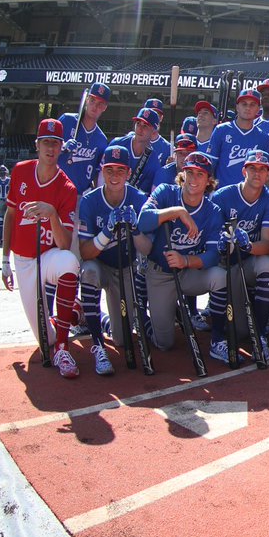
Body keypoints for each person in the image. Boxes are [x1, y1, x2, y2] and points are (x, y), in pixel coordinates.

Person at [1, 119, 82, 378]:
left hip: (47, 256)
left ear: (61, 148)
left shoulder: (67, 187)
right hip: (23, 260)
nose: (51, 148)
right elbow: (11, 216)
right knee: (43, 339)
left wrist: (52, 215)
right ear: (37, 145)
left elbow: (65, 244)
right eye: (46, 142)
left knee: (69, 262)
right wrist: (5, 260)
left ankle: (62, 347)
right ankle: (71, 315)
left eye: (56, 143)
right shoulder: (21, 171)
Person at [136, 152, 227, 359]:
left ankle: (218, 340)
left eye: (200, 174)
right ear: (182, 174)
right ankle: (141, 317)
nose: (193, 179)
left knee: (220, 276)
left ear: (208, 181)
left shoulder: (212, 211)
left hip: (188, 272)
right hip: (160, 272)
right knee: (164, 343)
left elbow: (213, 256)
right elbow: (143, 221)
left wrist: (185, 260)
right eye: (189, 173)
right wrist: (177, 212)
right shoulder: (165, 193)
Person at [77, 144, 146, 375]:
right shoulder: (89, 201)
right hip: (99, 264)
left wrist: (136, 228)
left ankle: (99, 320)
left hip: (124, 268)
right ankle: (97, 342)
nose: (114, 175)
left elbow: (146, 247)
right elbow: (85, 252)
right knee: (88, 272)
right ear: (101, 171)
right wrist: (106, 231)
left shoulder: (138, 199)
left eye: (120, 170)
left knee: (122, 339)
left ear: (128, 173)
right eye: (109, 170)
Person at [211, 149, 269, 359]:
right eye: (253, 168)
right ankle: (216, 338)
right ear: (244, 171)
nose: (257, 173)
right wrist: (224, 243)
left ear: (268, 174)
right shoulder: (223, 196)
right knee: (237, 330)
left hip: (249, 262)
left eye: (263, 169)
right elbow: (212, 240)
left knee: (268, 264)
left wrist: (248, 246)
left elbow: (268, 244)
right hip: (225, 264)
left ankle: (259, 334)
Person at [209, 88, 269, 189]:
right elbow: (210, 166)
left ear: (258, 109)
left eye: (252, 104)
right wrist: (211, 192)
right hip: (222, 195)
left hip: (251, 197)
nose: (248, 108)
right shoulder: (221, 130)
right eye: (244, 104)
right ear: (237, 107)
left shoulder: (263, 138)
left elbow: (267, 174)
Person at [57, 82, 111, 198]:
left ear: (105, 107)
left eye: (100, 103)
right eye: (92, 100)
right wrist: (62, 147)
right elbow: (46, 149)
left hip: (79, 195)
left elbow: (97, 174)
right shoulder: (67, 120)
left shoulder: (101, 139)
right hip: (55, 189)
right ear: (86, 100)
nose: (95, 106)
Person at [115, 107, 172, 196]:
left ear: (153, 130)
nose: (140, 128)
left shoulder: (153, 160)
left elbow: (146, 194)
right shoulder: (118, 144)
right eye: (138, 123)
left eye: (145, 125)